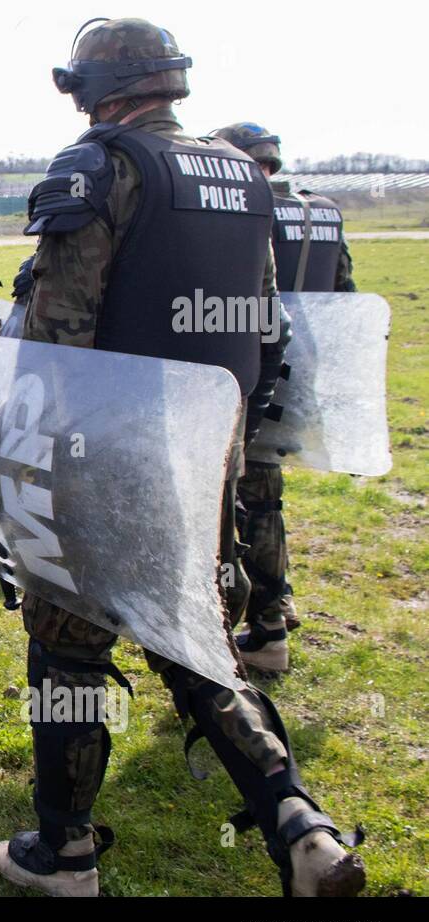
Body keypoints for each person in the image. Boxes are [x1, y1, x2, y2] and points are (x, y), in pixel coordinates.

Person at [0, 17, 364, 897]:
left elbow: (57, 336)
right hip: (203, 457)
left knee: (68, 655)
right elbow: (263, 329)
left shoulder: (99, 166)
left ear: (92, 87)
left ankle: (65, 853)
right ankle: (297, 820)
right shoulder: (240, 172)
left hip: (100, 454)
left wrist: (25, 465)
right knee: (196, 644)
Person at [212, 122, 358, 670]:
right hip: (304, 371)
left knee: (243, 499)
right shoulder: (323, 211)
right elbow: (343, 296)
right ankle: (276, 604)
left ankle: (263, 621)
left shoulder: (241, 210)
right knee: (265, 496)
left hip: (256, 370)